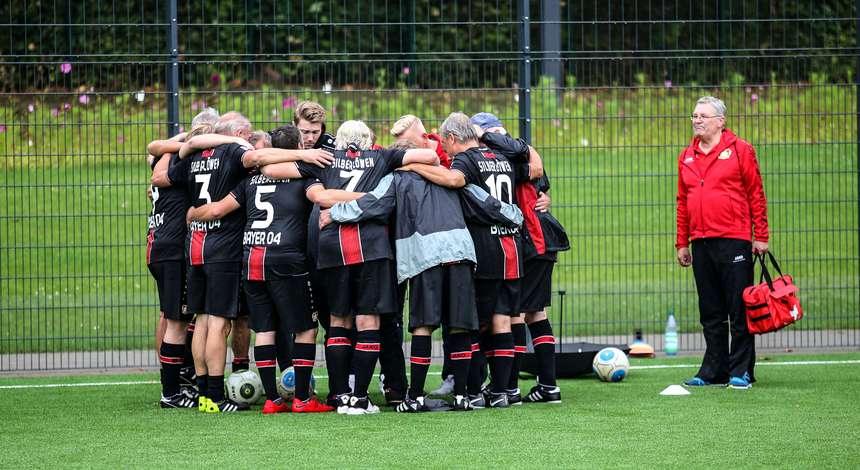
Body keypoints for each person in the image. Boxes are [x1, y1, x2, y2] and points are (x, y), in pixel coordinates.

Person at [263, 120, 439, 414]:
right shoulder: (382, 157)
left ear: (339, 141)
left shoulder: (325, 158)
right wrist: (389, 179)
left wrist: (304, 156)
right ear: (368, 141)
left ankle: (340, 394)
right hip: (371, 246)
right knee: (368, 322)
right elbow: (430, 156)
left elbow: (269, 169)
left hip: (332, 247)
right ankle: (359, 398)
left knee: (338, 321)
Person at [186, 124, 335, 414]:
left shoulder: (250, 180)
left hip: (252, 257)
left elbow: (217, 209)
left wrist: (192, 213)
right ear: (299, 148)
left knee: (264, 329)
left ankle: (272, 400)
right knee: (305, 329)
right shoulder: (305, 173)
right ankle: (303, 400)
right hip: (287, 258)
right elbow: (319, 197)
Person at [398, 112, 530, 409]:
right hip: (512, 243)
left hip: (486, 245)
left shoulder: (465, 159)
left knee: (473, 326)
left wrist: (415, 166)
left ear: (453, 139)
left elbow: (455, 179)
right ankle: (505, 390)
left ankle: (471, 391)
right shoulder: (499, 155)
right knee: (503, 320)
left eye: (445, 146)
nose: (445, 152)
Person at [470, 112, 568, 404]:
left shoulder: (501, 157)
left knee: (516, 313)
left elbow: (537, 178)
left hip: (531, 243)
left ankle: (510, 386)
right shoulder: (516, 154)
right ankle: (543, 386)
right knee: (533, 312)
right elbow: (540, 180)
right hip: (537, 243)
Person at [676, 96, 769, 390]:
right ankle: (714, 369)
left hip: (734, 240)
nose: (697, 120)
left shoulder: (741, 151)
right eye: (694, 115)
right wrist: (682, 242)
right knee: (711, 311)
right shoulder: (686, 157)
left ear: (720, 121)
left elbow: (756, 194)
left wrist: (761, 236)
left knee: (738, 308)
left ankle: (741, 371)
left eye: (703, 115)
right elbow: (682, 202)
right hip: (701, 242)